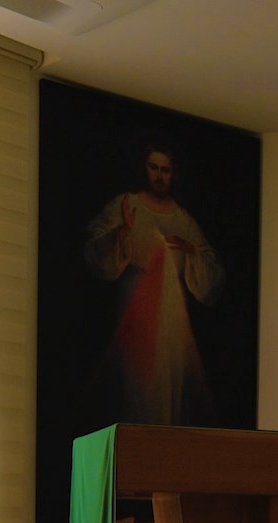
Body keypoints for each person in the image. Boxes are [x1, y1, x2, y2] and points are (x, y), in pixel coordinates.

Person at [85, 141, 224, 425]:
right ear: (144, 169)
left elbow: (211, 269)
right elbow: (95, 247)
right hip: (136, 308)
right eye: (154, 168)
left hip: (173, 317)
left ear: (173, 174)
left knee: (169, 389)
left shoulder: (183, 219)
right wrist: (121, 232)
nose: (159, 176)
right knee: (136, 389)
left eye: (165, 170)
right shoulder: (127, 204)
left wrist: (191, 251)